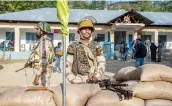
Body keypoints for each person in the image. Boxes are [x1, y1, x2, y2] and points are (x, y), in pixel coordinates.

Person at [66, 17, 106, 84]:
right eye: (84, 29)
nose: (87, 31)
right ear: (79, 31)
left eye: (89, 29)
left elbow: (102, 62)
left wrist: (96, 77)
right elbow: (67, 65)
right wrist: (72, 79)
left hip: (94, 80)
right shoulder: (73, 47)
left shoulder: (96, 46)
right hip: (78, 80)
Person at [25, 22, 56, 87]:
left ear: (42, 31)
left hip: (42, 76)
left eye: (37, 29)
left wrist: (37, 76)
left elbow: (45, 61)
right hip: (41, 73)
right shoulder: (41, 42)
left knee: (41, 93)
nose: (36, 31)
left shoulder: (44, 43)